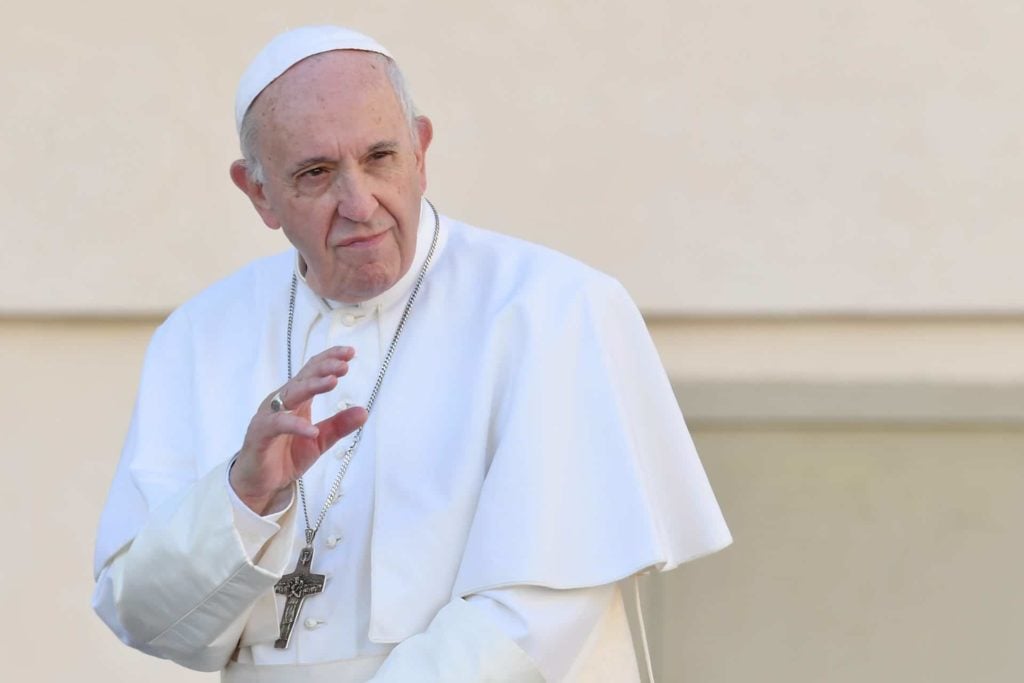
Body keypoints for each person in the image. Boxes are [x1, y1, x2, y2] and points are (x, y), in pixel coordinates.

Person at [92, 25, 731, 682]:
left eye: (380, 158)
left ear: (421, 151)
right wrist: (243, 497)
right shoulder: (199, 336)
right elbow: (140, 612)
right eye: (316, 173)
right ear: (258, 193)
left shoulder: (554, 309)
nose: (359, 203)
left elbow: (537, 608)